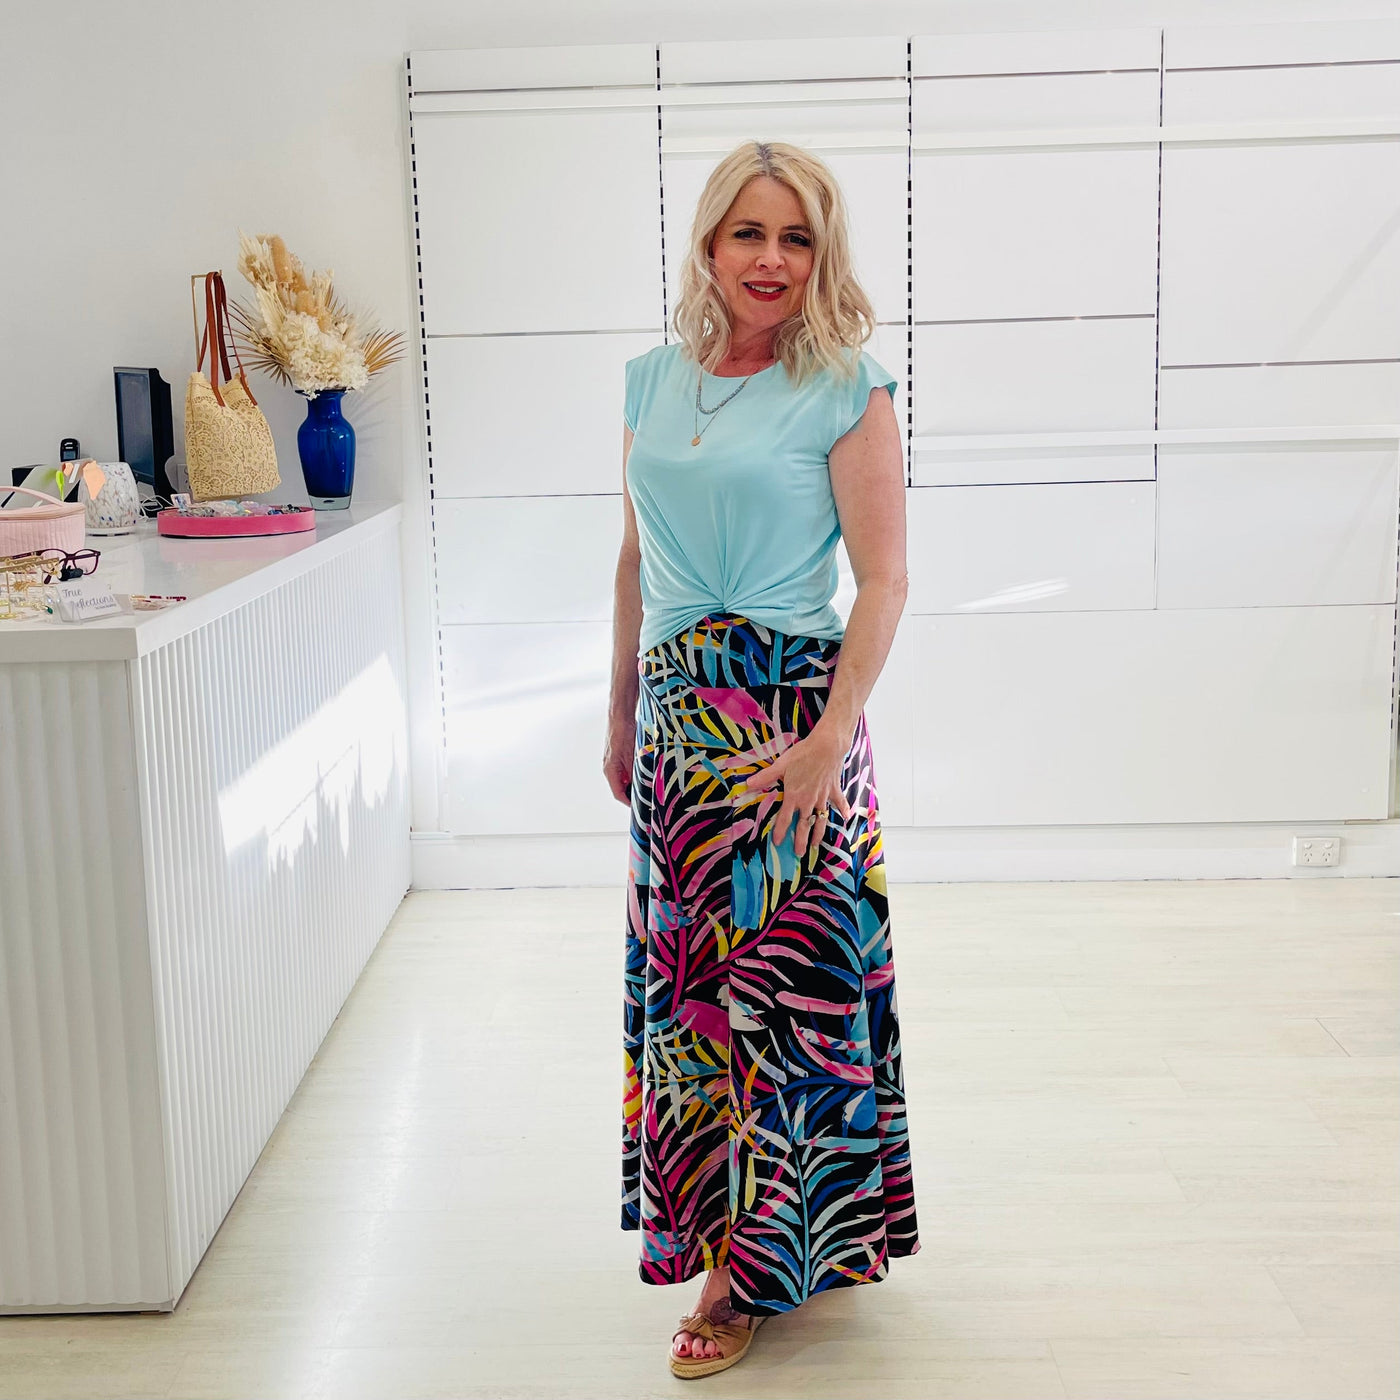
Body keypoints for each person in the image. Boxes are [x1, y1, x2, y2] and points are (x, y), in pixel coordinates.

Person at [603, 139, 920, 1381]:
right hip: (680, 728)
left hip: (790, 726)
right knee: (695, 1005)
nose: (772, 259)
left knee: (786, 1005)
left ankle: (741, 1278)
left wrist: (829, 742)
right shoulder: (650, 381)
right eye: (750, 232)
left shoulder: (844, 387)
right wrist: (618, 709)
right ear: (708, 242)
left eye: (796, 237)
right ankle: (735, 1240)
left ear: (819, 252)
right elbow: (635, 559)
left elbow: (883, 580)